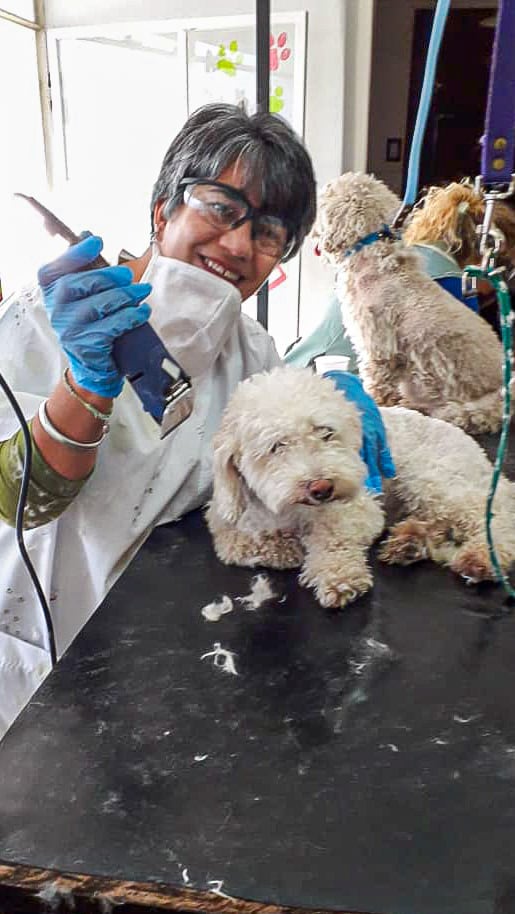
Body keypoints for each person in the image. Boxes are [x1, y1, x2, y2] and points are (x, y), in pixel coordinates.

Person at [0, 104, 394, 739]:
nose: (239, 244)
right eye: (220, 207)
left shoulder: (252, 350)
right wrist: (85, 383)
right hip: (34, 650)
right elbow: (13, 499)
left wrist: (335, 401)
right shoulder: (37, 320)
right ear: (163, 211)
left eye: (268, 231)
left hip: (158, 644)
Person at [284, 179, 515, 369]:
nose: (494, 291)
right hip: (339, 383)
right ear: (487, 255)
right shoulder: (455, 286)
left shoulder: (399, 257)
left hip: (303, 364)